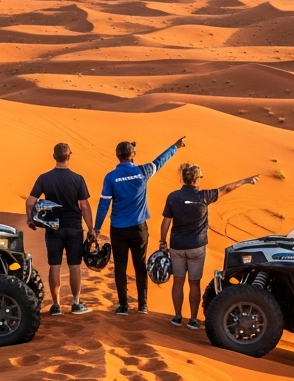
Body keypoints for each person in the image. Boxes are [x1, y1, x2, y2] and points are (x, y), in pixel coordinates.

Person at [94, 137, 185, 315]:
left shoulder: (111, 177)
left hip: (118, 228)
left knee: (120, 266)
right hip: (139, 228)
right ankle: (143, 305)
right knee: (140, 265)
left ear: (117, 156)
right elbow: (161, 161)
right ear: (132, 155)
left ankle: (123, 306)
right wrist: (175, 146)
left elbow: (104, 204)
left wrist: (97, 228)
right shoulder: (143, 171)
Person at [160, 163, 258, 328]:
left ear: (183, 178)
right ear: (197, 179)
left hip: (176, 246)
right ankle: (192, 319)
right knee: (194, 283)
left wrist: (162, 241)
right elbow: (226, 189)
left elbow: (166, 221)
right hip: (196, 247)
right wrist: (246, 181)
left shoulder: (173, 197)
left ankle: (177, 317)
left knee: (178, 282)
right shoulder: (204, 196)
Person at [26, 143, 96, 315]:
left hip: (53, 228)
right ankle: (76, 303)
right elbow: (84, 206)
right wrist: (91, 229)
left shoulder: (44, 178)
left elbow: (30, 202)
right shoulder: (78, 179)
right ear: (69, 156)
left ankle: (56, 305)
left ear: (54, 156)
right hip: (74, 228)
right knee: (74, 266)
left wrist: (30, 219)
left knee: (54, 266)